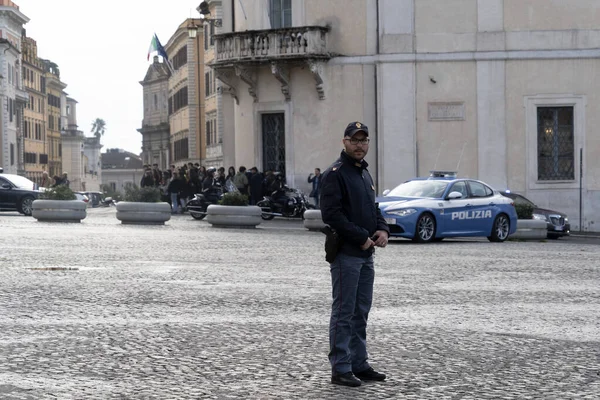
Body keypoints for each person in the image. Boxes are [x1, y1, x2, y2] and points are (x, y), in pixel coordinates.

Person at [320, 121, 390, 388]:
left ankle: (359, 363)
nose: (360, 145)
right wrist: (361, 236)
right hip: (346, 253)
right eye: (355, 140)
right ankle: (340, 367)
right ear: (344, 142)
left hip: (365, 255)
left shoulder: (364, 174)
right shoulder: (335, 174)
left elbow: (373, 208)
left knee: (361, 311)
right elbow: (332, 215)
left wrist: (382, 229)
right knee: (343, 311)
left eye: (364, 140)